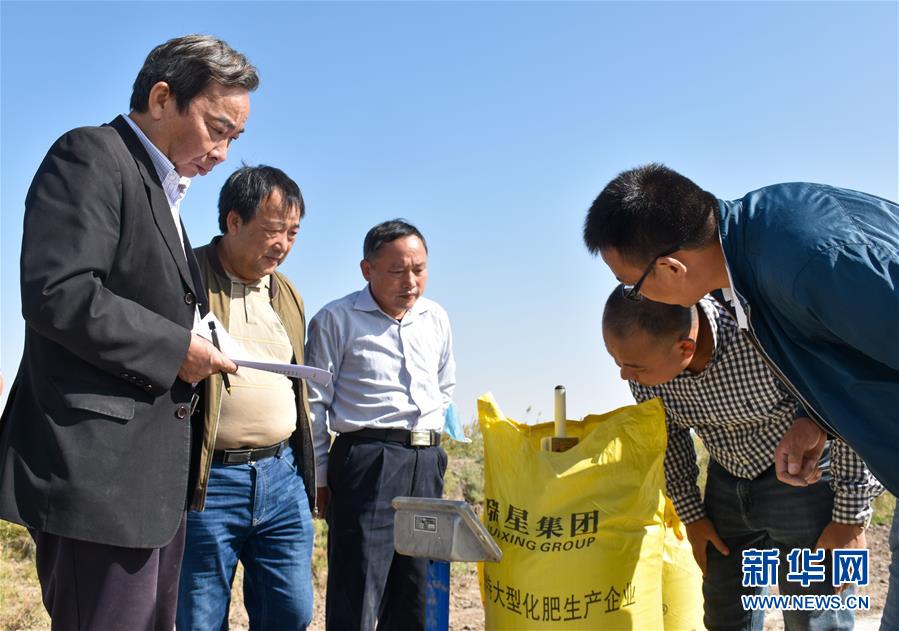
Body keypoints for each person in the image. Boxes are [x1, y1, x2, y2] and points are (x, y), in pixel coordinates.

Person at [0, 35, 256, 630]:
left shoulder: (163, 191)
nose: (222, 153)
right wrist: (176, 350)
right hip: (98, 477)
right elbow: (58, 293)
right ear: (163, 98)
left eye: (234, 139)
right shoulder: (91, 155)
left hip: (146, 486)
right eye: (217, 128)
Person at [583, 163, 899, 629]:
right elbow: (845, 373)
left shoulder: (801, 264)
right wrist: (817, 423)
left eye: (633, 283)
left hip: (808, 497)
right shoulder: (754, 263)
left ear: (671, 268)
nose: (636, 297)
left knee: (818, 612)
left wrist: (850, 515)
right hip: (734, 487)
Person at [602, 286, 881, 630]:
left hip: (806, 482)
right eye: (617, 362)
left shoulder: (761, 330)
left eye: (631, 366)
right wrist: (693, 517)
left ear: (685, 347)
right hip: (727, 482)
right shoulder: (647, 368)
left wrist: (849, 519)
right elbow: (669, 435)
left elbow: (843, 404)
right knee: (724, 615)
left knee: (814, 617)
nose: (625, 375)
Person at [177, 165, 317, 630]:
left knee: (292, 612)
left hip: (281, 478)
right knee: (199, 617)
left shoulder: (287, 292)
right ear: (233, 221)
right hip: (209, 481)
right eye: (274, 231)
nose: (284, 245)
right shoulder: (186, 275)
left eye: (293, 233)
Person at [305, 219, 456, 631]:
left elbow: (445, 385)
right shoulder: (336, 320)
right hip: (368, 462)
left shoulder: (435, 317)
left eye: (419, 269)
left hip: (426, 462)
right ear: (366, 269)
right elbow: (314, 405)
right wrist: (318, 476)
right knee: (359, 590)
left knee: (418, 587)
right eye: (397, 270)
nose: (410, 281)